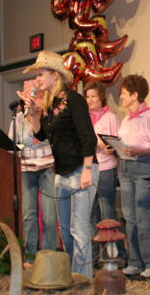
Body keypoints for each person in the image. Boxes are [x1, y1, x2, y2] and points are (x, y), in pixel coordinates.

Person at [24, 50, 99, 279]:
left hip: (82, 169)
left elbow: (88, 137)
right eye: (36, 75)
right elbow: (43, 136)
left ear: (55, 75)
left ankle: (84, 278)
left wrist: (87, 170)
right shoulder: (50, 103)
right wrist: (34, 115)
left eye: (40, 74)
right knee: (64, 229)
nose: (37, 79)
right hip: (62, 173)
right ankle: (71, 274)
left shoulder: (74, 100)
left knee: (79, 228)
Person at [117, 74, 150, 278]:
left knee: (144, 218)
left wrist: (138, 151)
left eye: (123, 93)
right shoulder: (126, 119)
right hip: (126, 169)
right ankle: (135, 261)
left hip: (146, 169)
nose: (120, 97)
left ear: (135, 95)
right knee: (129, 218)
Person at [9, 83, 57, 265]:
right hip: (26, 170)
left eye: (35, 98)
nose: (31, 102)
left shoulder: (48, 117)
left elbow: (51, 141)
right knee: (28, 215)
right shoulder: (17, 120)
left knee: (49, 215)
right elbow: (10, 145)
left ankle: (49, 259)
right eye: (28, 99)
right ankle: (30, 257)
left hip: (48, 167)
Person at [83, 81, 127, 262]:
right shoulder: (84, 118)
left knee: (107, 210)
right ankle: (94, 256)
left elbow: (119, 144)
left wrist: (109, 148)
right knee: (90, 213)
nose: (90, 100)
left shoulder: (110, 118)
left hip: (106, 168)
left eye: (94, 96)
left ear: (101, 97)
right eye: (87, 96)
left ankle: (116, 255)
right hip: (88, 168)